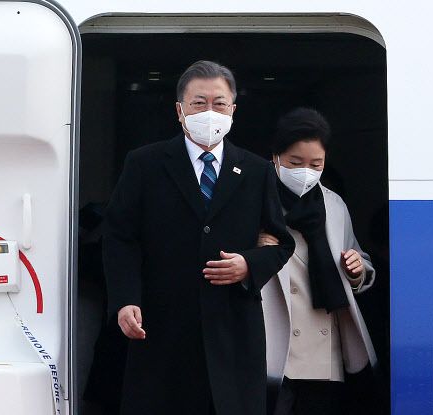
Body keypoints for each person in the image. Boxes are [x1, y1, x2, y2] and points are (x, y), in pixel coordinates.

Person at [103, 60, 294, 415]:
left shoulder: (256, 170)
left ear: (233, 110)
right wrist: (125, 299)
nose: (210, 113)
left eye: (219, 104)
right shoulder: (145, 163)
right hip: (162, 326)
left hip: (232, 328)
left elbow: (282, 243)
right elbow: (119, 237)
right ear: (180, 111)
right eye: (198, 103)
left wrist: (248, 265)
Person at [258, 107, 377, 415]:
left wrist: (357, 269)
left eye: (316, 164)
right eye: (296, 163)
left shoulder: (334, 205)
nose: (306, 172)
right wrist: (255, 251)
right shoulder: (254, 199)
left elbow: (359, 260)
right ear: (276, 158)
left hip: (325, 349)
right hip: (274, 342)